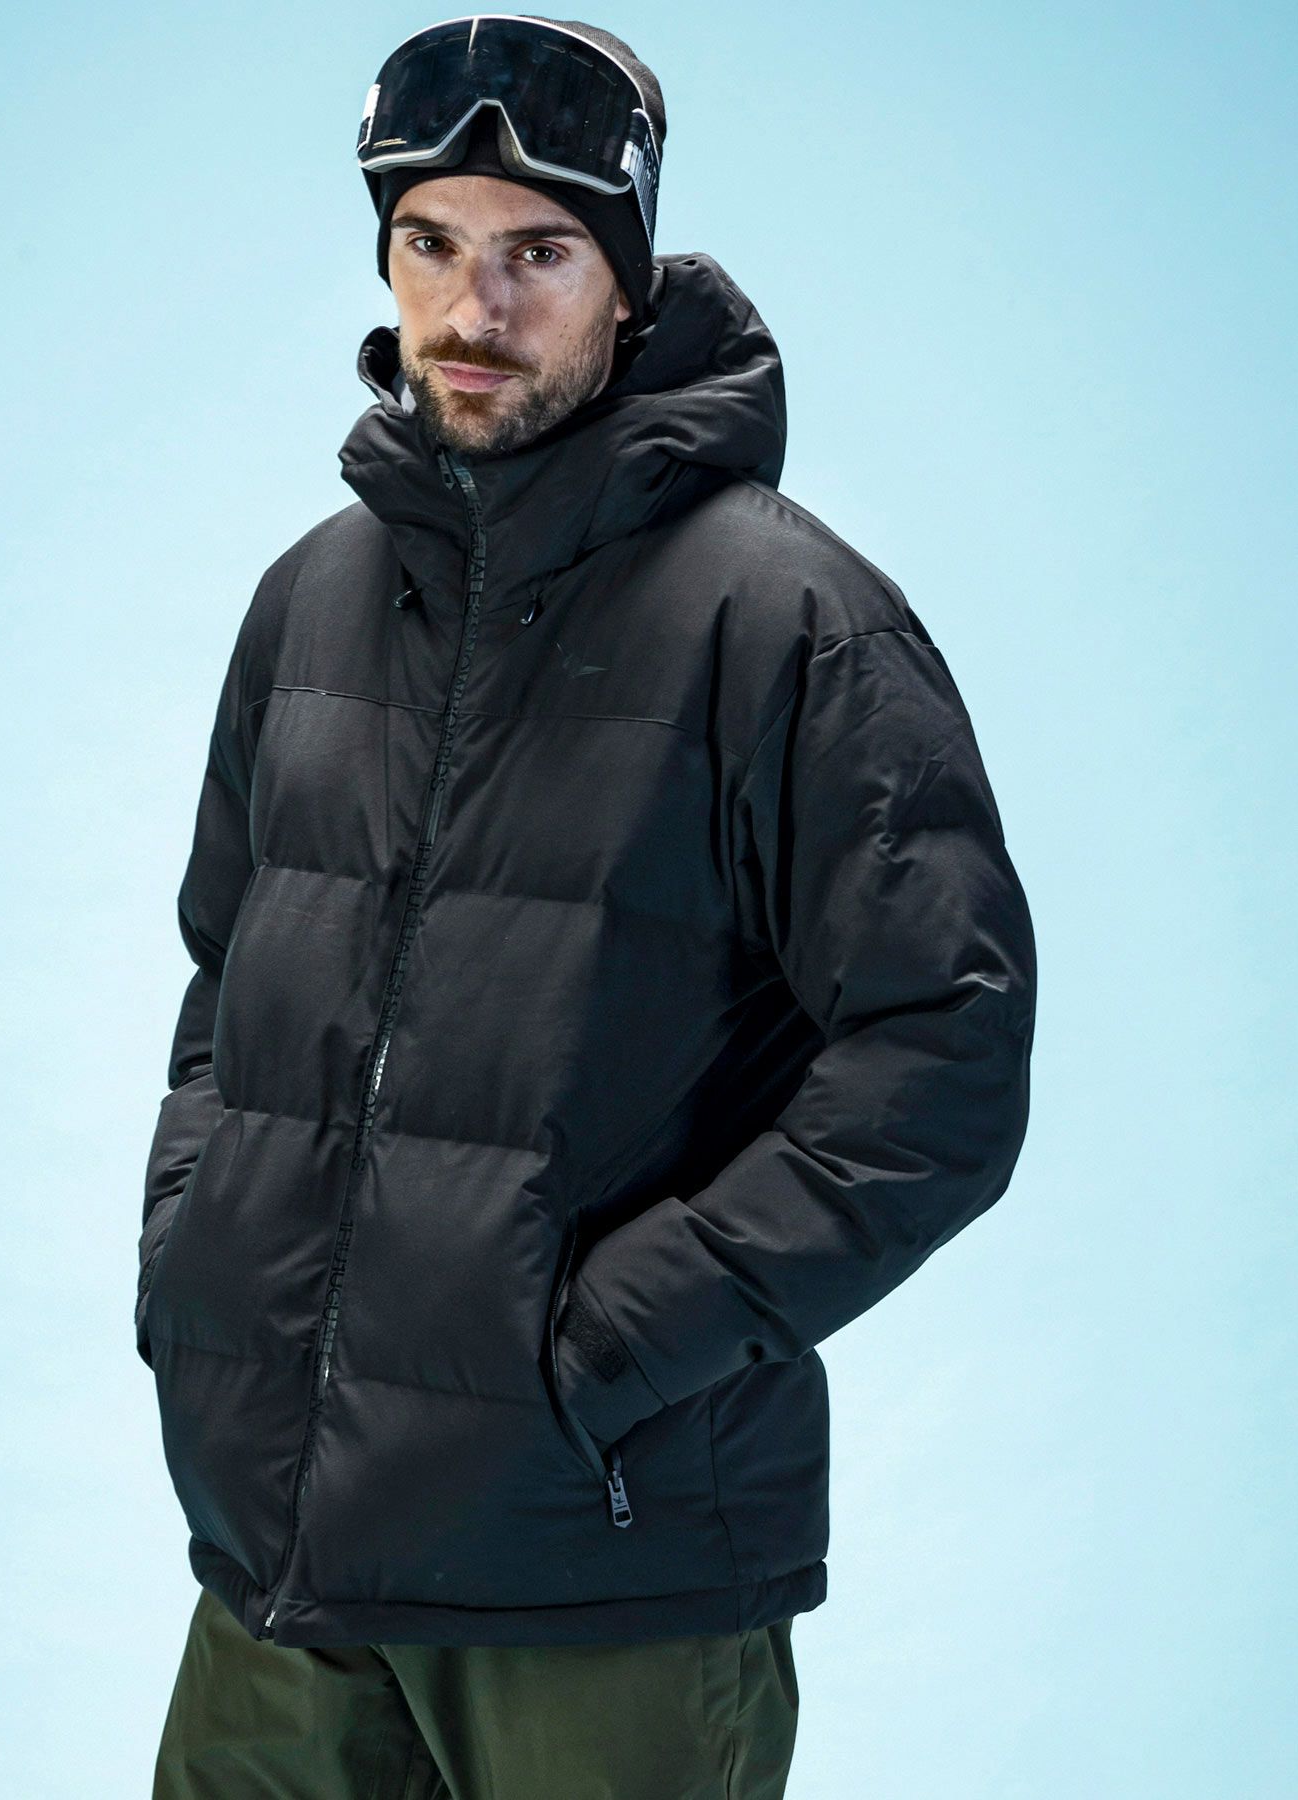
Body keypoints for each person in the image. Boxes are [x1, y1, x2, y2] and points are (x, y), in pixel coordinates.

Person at [135, 15, 1038, 1797]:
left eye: (538, 253)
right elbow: (225, 983)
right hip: (283, 1566)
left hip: (604, 1573)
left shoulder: (788, 622)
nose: (473, 308)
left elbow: (946, 1057)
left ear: (628, 281)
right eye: (431, 244)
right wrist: (198, 1255)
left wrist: (608, 1348)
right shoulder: (310, 601)